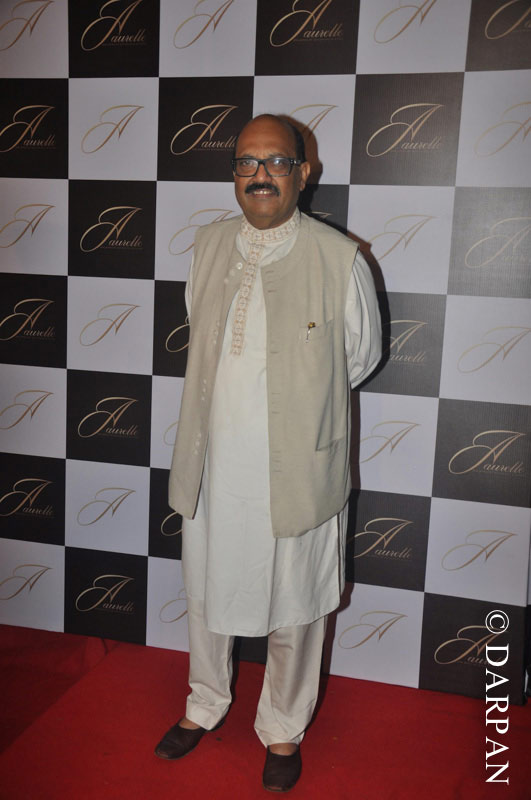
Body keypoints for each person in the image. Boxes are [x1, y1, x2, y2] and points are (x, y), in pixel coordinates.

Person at [156, 114, 382, 792]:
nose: (259, 175)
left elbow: (360, 358)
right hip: (213, 463)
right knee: (207, 591)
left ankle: (283, 725)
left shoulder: (339, 259)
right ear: (234, 173)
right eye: (246, 163)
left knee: (296, 604)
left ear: (302, 173)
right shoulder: (206, 245)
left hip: (296, 467)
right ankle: (204, 703)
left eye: (276, 162)